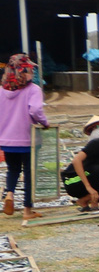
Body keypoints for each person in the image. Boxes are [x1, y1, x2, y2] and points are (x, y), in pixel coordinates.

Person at [0, 54, 49, 218]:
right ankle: (27, 210)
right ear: (23, 72)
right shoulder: (33, 89)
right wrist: (45, 123)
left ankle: (9, 194)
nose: (32, 72)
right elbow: (35, 110)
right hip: (27, 139)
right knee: (29, 173)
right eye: (30, 69)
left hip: (6, 139)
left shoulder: (2, 89)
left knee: (12, 169)